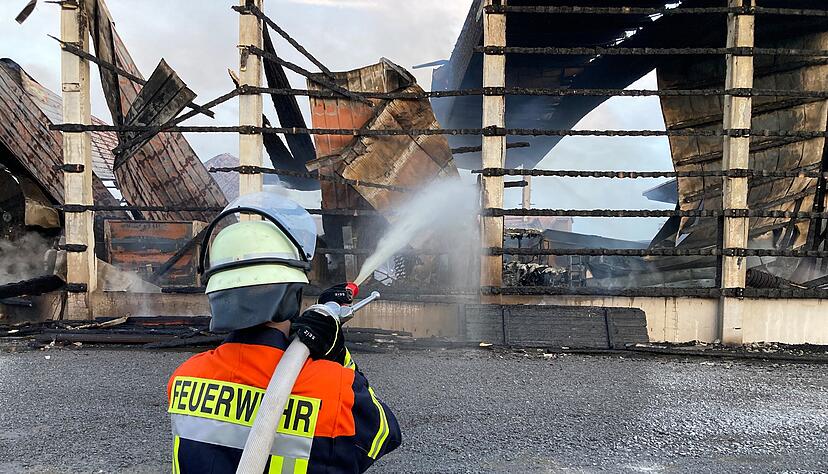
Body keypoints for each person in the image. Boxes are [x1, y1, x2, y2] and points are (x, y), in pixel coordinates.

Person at [166, 192, 401, 473]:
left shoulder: (184, 378)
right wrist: (337, 354)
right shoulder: (334, 386)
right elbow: (385, 434)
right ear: (291, 296)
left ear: (217, 295)